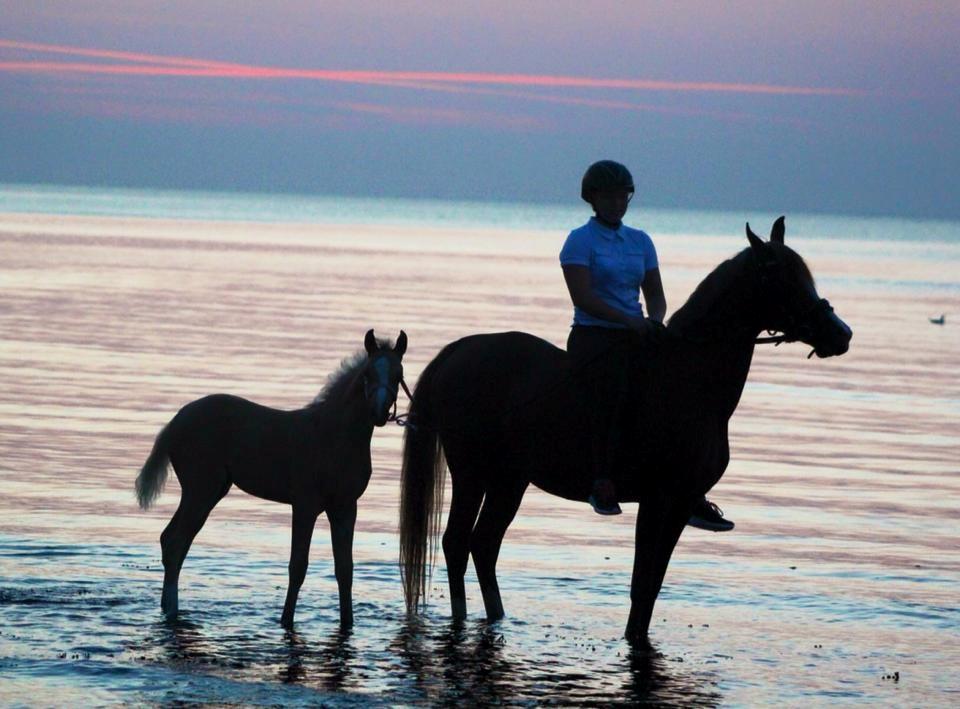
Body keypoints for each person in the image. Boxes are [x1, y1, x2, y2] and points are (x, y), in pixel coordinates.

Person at [559, 159, 734, 531]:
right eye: (609, 196)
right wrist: (628, 321)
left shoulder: (641, 241)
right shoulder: (580, 240)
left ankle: (691, 486)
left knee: (683, 387)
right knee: (614, 390)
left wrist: (654, 321)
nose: (617, 203)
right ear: (593, 198)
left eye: (622, 196)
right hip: (594, 335)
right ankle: (602, 480)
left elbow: (655, 295)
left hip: (638, 333)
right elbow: (583, 297)